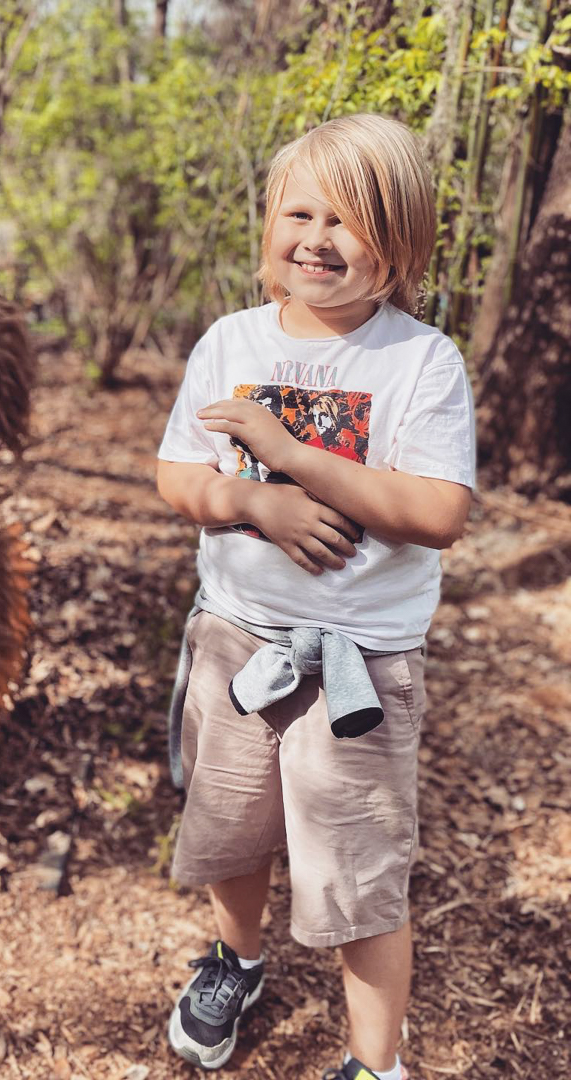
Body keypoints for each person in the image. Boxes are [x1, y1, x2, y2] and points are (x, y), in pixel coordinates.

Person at [156, 113, 476, 1080]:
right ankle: (237, 960)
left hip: (358, 665)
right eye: (301, 214)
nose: (318, 239)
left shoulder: (421, 360)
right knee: (231, 830)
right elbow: (179, 473)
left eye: (348, 220)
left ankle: (375, 1063)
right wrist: (255, 500)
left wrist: (292, 456)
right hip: (236, 639)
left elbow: (438, 511)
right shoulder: (230, 341)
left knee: (359, 872)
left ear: (399, 241)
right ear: (270, 225)